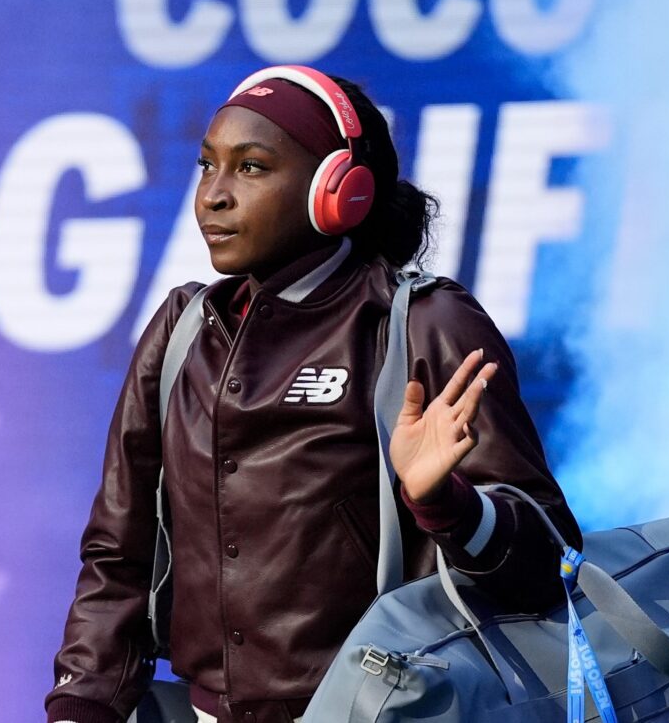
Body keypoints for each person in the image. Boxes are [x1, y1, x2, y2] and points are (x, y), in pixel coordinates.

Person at [46, 66, 582, 723]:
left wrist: (448, 505)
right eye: (207, 165)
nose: (213, 195)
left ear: (339, 191)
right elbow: (117, 558)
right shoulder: (183, 330)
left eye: (251, 167)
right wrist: (81, 706)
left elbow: (552, 563)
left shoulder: (421, 323)